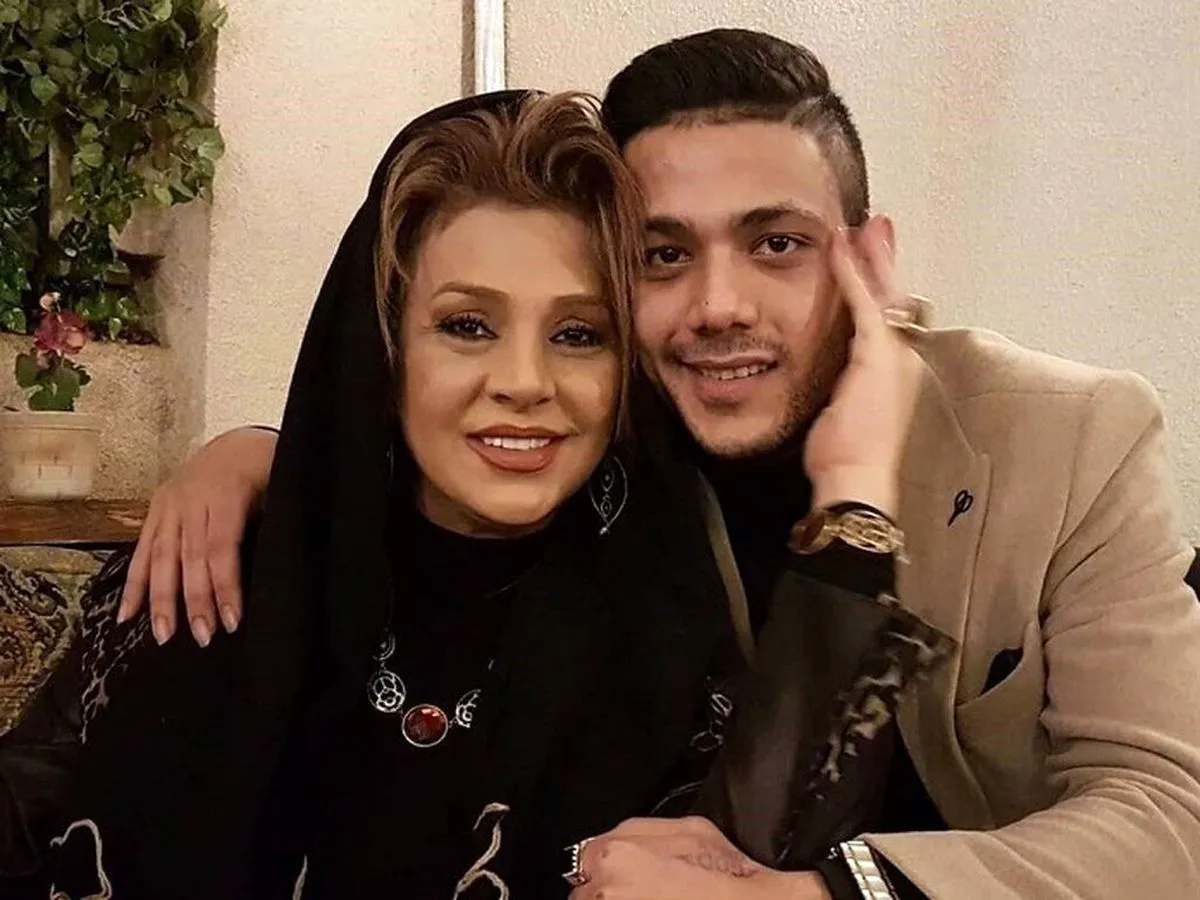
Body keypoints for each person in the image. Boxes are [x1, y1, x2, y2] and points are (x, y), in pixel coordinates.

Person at [126, 28, 1200, 900]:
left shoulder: (1067, 439)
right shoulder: (609, 443)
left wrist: (833, 895)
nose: (719, 305)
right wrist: (262, 454)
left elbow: (1168, 816)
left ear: (871, 260)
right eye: (665, 254)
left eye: (776, 243)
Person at [37, 84, 935, 900]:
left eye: (578, 335)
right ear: (385, 346)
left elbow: (765, 862)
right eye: (467, 325)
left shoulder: (680, 630)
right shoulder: (205, 575)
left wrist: (855, 486)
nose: (524, 382)